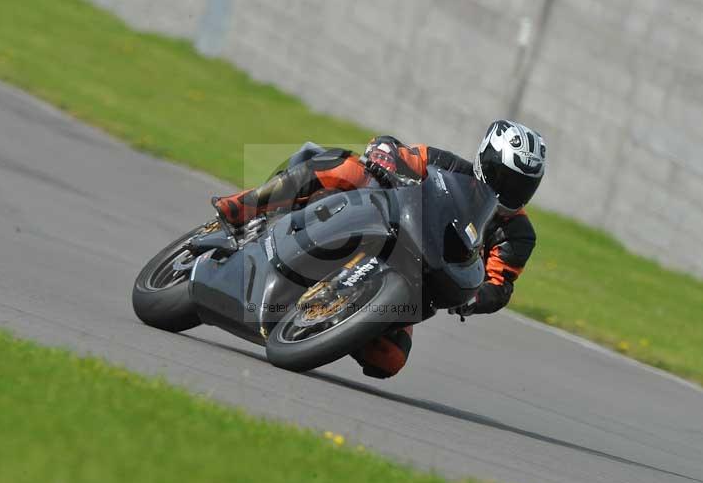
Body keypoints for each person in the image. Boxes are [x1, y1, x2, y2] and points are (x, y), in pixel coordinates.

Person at [212, 120, 546, 378]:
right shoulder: (448, 165)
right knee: (348, 169)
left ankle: (328, 321)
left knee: (389, 359)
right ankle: (245, 206)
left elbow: (499, 284)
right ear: (485, 160)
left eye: (520, 185)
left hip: (418, 277)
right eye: (502, 176)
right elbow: (403, 154)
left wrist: (476, 299)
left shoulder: (518, 235)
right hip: (380, 224)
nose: (507, 190)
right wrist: (385, 157)